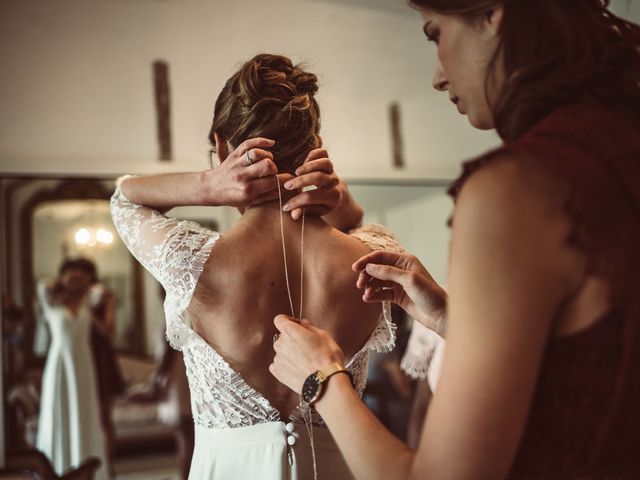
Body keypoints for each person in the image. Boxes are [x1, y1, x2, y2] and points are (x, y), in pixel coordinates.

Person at [270, 0, 640, 478]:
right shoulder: (621, 146)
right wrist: (450, 318)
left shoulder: (518, 191)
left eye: (435, 34)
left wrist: (321, 378)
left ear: (492, 15)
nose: (437, 77)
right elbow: (592, 357)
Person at [110, 53, 403, 479]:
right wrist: (338, 197)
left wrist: (207, 186)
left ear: (221, 145)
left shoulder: (189, 261)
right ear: (316, 146)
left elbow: (124, 198)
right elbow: (355, 220)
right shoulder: (373, 253)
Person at [36, 258, 109, 479]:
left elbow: (100, 291)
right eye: (71, 275)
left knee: (85, 413)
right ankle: (57, 468)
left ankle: (85, 467)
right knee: (59, 413)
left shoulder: (88, 301)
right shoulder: (51, 302)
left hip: (84, 366)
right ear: (62, 277)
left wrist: (83, 285)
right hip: (59, 366)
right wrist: (66, 283)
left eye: (81, 275)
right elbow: (43, 286)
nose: (76, 280)